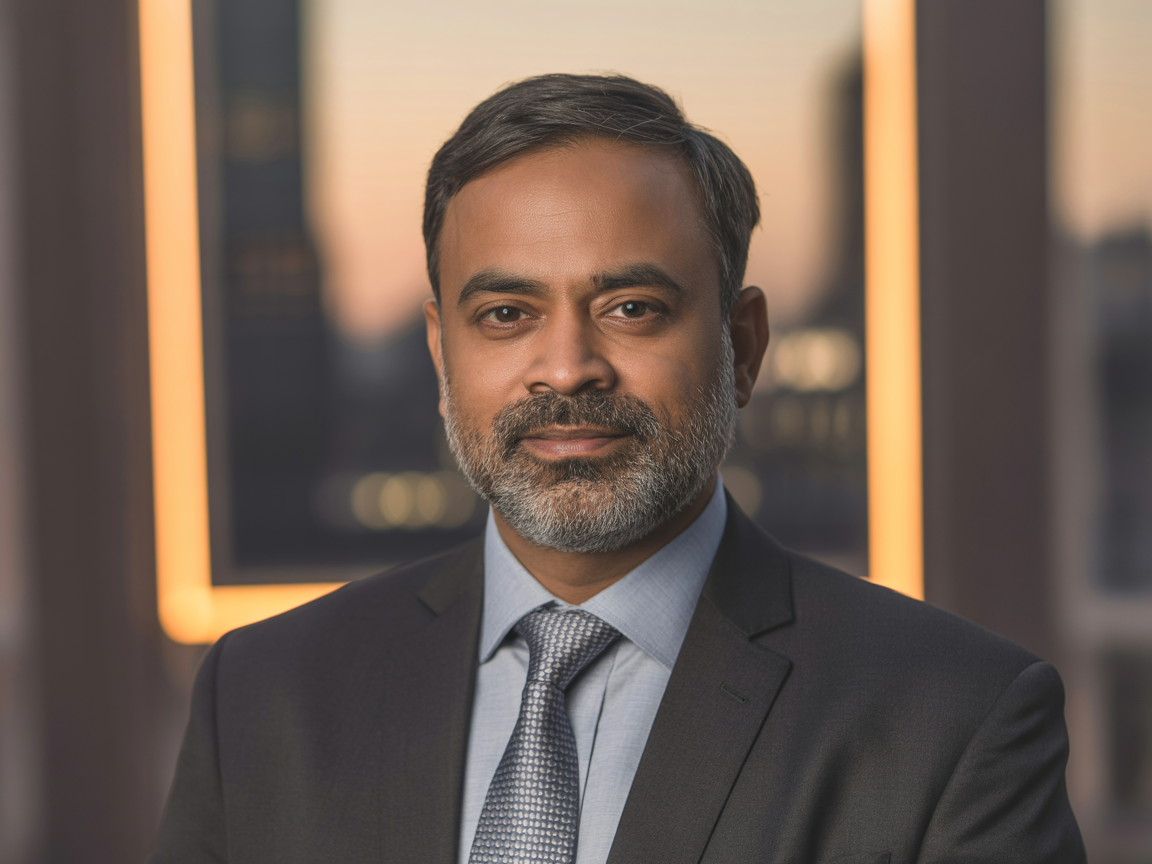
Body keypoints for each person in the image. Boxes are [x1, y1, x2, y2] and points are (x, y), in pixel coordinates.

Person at [150, 74, 1085, 864]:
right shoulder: (263, 695)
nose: (567, 368)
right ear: (443, 357)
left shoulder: (955, 721)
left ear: (743, 345)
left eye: (632, 307)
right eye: (507, 314)